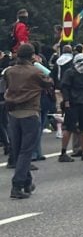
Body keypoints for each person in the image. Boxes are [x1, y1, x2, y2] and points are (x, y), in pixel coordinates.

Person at [5, 44, 53, 198]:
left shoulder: (10, 71)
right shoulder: (35, 72)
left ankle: (27, 182)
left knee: (18, 149)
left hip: (13, 113)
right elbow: (49, 82)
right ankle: (17, 185)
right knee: (26, 151)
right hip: (30, 112)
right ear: (32, 56)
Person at [59, 52, 83, 162]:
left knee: (71, 128)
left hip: (74, 103)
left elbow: (64, 87)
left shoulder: (70, 72)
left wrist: (66, 101)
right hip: (80, 103)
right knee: (82, 129)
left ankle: (66, 152)